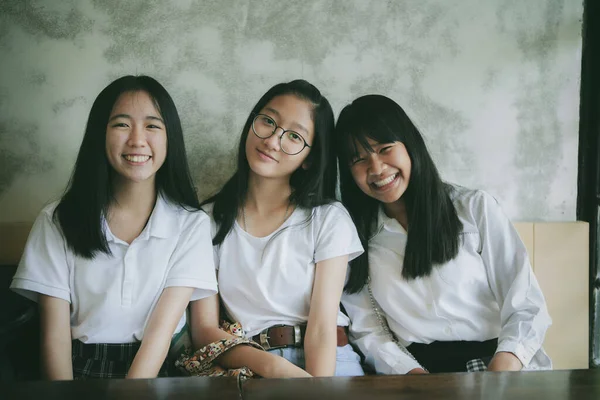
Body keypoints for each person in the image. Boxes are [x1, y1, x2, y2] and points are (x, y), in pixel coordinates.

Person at [11, 75, 217, 380]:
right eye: (121, 124)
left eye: (152, 126)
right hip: (79, 370)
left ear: (169, 137)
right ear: (100, 134)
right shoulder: (58, 219)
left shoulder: (191, 224)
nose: (137, 140)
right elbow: (54, 338)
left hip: (159, 372)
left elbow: (160, 336)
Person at [336, 94, 552, 374]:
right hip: (416, 374)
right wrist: (413, 377)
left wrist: (501, 373)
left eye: (385, 149)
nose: (376, 168)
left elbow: (525, 302)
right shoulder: (354, 235)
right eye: (359, 159)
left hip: (499, 363)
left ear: (409, 144)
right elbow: (368, 330)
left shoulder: (474, 208)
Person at [189, 79, 364, 378]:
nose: (272, 140)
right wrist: (272, 367)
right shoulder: (208, 220)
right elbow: (204, 330)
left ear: (310, 159)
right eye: (268, 121)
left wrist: (313, 390)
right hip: (248, 365)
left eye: (294, 136)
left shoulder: (327, 219)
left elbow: (321, 328)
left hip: (328, 362)